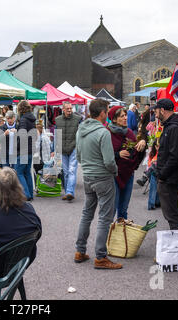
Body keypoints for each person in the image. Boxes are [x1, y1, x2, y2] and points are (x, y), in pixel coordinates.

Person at [74, 99, 122, 269]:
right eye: (107, 111)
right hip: (103, 177)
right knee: (104, 217)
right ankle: (101, 257)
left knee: (87, 213)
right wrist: (115, 170)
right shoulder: (103, 132)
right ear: (102, 113)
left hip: (88, 176)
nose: (108, 113)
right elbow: (109, 161)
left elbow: (78, 156)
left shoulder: (81, 129)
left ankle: (80, 251)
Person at [153, 98, 178, 230]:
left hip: (170, 178)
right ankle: (176, 241)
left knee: (172, 215)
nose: (155, 114)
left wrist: (162, 175)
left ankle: (177, 245)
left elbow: (176, 156)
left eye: (156, 110)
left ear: (162, 110)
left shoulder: (175, 127)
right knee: (171, 214)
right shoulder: (171, 125)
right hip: (169, 177)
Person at [107, 106, 146, 220]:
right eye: (122, 116)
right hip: (113, 175)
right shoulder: (107, 133)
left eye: (126, 115)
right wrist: (117, 154)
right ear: (114, 119)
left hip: (128, 173)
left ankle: (121, 236)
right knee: (112, 209)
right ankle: (109, 236)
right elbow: (102, 155)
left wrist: (142, 144)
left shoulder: (129, 133)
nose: (125, 118)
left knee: (123, 209)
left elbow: (136, 155)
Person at [54, 101, 81, 201]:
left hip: (74, 147)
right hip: (62, 149)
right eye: (68, 109)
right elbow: (57, 135)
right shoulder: (57, 120)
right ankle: (67, 193)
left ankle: (70, 192)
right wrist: (54, 149)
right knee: (65, 172)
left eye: (71, 108)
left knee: (71, 171)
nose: (70, 110)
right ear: (63, 109)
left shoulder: (78, 119)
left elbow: (81, 134)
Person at [16, 100, 37, 201]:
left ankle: (26, 194)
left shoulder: (23, 119)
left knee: (19, 172)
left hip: (23, 149)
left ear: (21, 109)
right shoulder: (32, 119)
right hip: (30, 148)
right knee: (27, 172)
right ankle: (30, 194)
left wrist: (17, 147)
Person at [147, 139, 160, 210]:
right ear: (155, 146)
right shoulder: (152, 153)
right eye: (158, 146)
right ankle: (151, 204)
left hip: (160, 172)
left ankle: (156, 202)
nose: (159, 147)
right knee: (153, 188)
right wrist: (153, 161)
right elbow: (149, 164)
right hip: (154, 173)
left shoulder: (162, 153)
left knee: (158, 188)